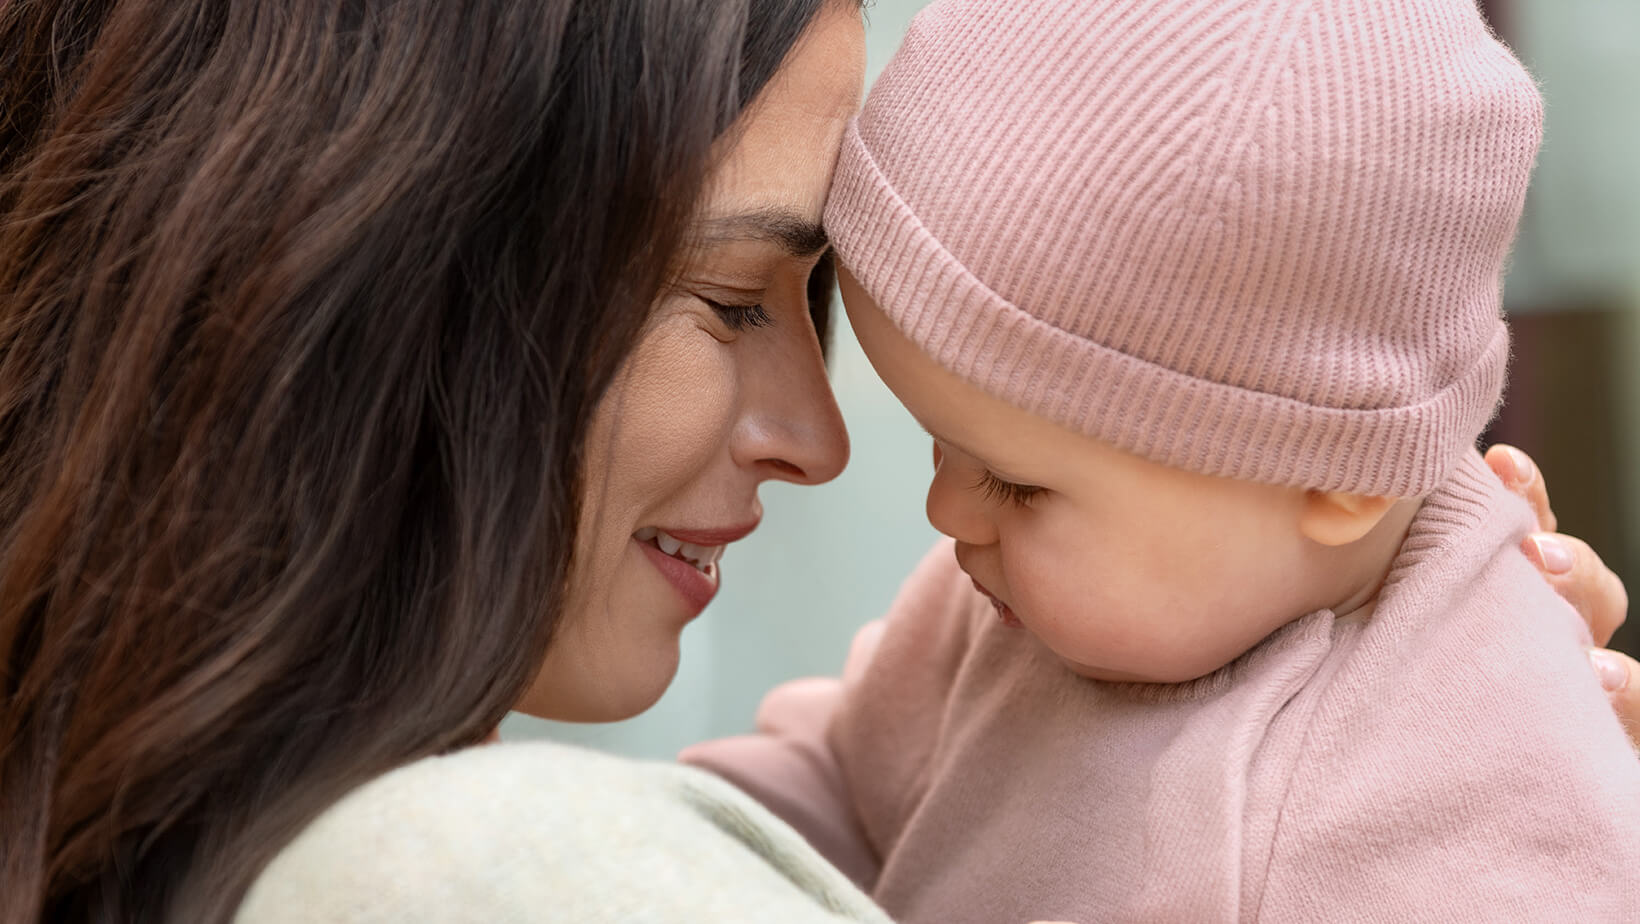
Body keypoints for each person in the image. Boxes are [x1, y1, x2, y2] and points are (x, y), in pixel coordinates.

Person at [0, 0, 1627, 921]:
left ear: (1325, 469)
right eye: (729, 296)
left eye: (1024, 478)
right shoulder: (982, 634)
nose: (845, 450)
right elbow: (811, 788)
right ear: (386, 279)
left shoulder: (1475, 733)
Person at [682, 0, 1640, 921]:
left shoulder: (1488, 773)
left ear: (1337, 471)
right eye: (941, 446)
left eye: (1015, 483)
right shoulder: (1024, 609)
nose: (948, 514)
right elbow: (841, 788)